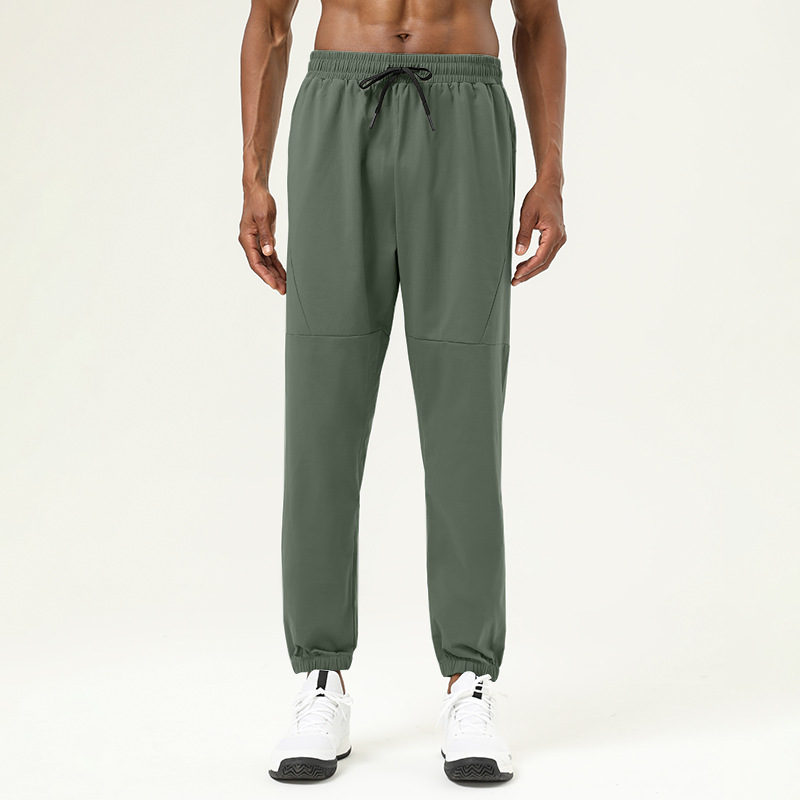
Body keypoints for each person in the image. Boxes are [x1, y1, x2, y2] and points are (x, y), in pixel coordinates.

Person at [238, 0, 566, 784]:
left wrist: (551, 172)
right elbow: (270, 20)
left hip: (466, 109)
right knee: (321, 413)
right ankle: (319, 676)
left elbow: (539, 21)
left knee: (465, 417)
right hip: (337, 105)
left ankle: (470, 681)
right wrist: (252, 174)